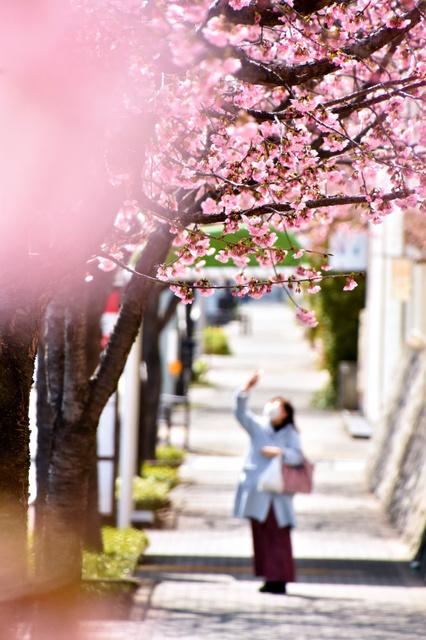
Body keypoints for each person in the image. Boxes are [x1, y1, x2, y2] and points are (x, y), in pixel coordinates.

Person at [233, 371, 303, 594]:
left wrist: (280, 452)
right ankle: (269, 577)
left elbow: (298, 456)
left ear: (285, 414)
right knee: (261, 534)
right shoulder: (259, 426)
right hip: (258, 490)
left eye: (278, 406)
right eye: (271, 404)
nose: (272, 408)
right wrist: (246, 388)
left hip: (278, 492)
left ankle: (279, 578)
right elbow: (241, 413)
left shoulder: (291, 433)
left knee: (278, 534)